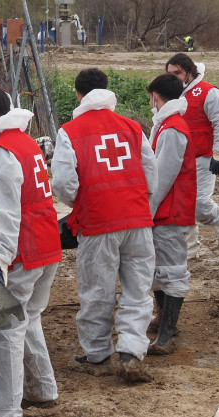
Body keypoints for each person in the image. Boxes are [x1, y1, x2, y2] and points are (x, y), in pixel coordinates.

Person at [0, 86, 62, 417]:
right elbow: (6, 205)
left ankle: (5, 413)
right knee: (29, 317)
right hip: (47, 245)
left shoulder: (1, 153)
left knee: (2, 328)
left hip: (23, 250)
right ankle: (43, 389)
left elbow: (6, 211)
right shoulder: (27, 143)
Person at [52, 68, 158, 383]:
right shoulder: (133, 127)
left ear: (78, 95)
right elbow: (151, 172)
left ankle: (97, 351)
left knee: (97, 290)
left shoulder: (69, 131)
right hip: (137, 219)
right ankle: (131, 351)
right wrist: (138, 199)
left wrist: (81, 202)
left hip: (98, 222)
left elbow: (63, 182)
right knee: (138, 289)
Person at [146, 73, 197, 354]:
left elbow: (162, 176)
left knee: (171, 269)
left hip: (170, 210)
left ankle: (167, 333)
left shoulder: (172, 128)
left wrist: (147, 211)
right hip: (167, 209)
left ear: (155, 96)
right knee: (160, 267)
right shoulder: (168, 125)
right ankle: (163, 320)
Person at [165, 53, 219, 256]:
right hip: (178, 159)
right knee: (181, 203)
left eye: (177, 73)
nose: (172, 77)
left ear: (189, 72)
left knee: (199, 202)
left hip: (203, 157)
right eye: (169, 73)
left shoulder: (209, 92)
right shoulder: (170, 93)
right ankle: (191, 248)